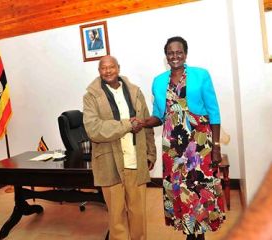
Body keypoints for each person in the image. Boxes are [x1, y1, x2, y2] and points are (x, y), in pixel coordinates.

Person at [141, 36, 225, 240]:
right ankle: (189, 232)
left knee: (199, 187)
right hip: (173, 146)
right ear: (166, 56)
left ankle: (199, 233)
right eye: (170, 53)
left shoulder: (201, 75)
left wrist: (215, 146)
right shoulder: (159, 81)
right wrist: (143, 122)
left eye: (179, 52)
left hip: (199, 142)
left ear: (185, 54)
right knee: (179, 188)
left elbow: (214, 112)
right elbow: (159, 116)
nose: (174, 56)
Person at [83, 55, 156, 240]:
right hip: (109, 162)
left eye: (111, 67)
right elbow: (94, 129)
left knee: (138, 213)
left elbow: (146, 123)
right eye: (103, 68)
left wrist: (150, 153)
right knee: (116, 217)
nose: (107, 71)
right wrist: (127, 125)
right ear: (99, 71)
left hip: (135, 160)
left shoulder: (135, 92)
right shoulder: (91, 96)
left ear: (118, 68)